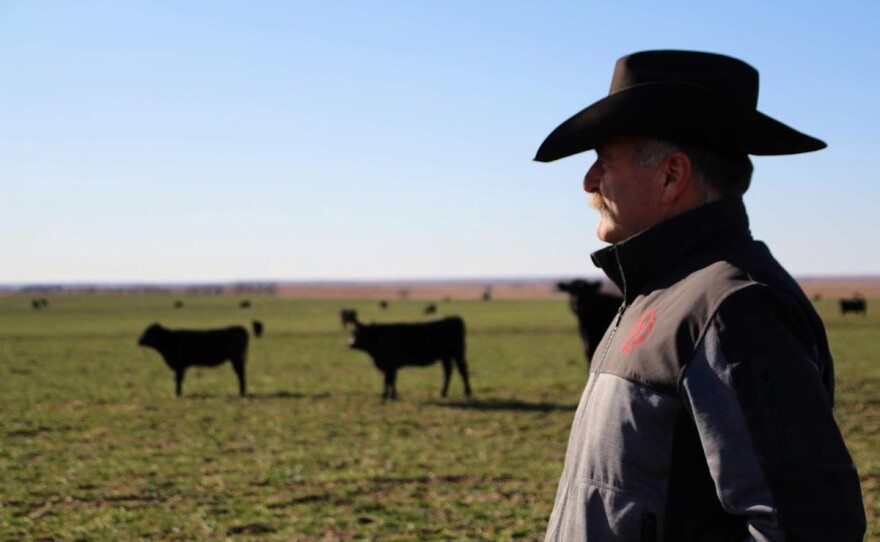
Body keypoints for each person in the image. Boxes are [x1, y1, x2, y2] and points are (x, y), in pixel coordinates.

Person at [534, 50, 866, 541]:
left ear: (672, 176)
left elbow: (806, 527)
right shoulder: (660, 296)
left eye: (603, 160)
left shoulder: (732, 308)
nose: (588, 181)